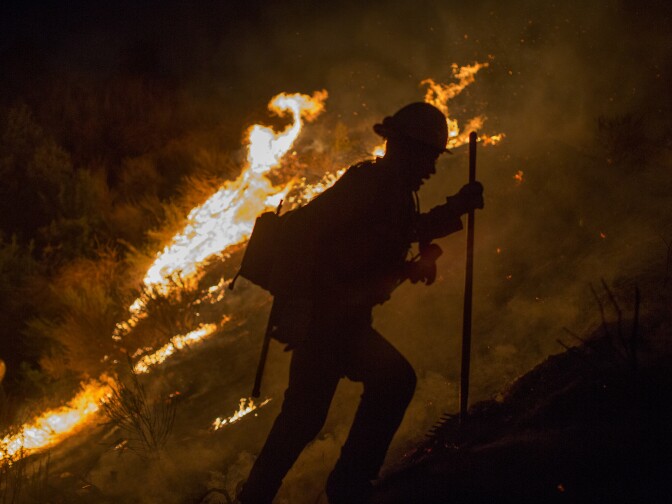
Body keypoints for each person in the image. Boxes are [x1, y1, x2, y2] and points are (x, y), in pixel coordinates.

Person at [238, 102, 484, 504]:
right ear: (404, 148)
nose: (432, 168)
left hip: (344, 320)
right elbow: (303, 234)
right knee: (342, 401)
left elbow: (392, 243)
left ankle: (293, 491)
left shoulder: (394, 193)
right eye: (428, 156)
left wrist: (449, 217)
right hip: (326, 322)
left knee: (308, 415)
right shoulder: (368, 186)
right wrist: (297, 306)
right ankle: (342, 486)